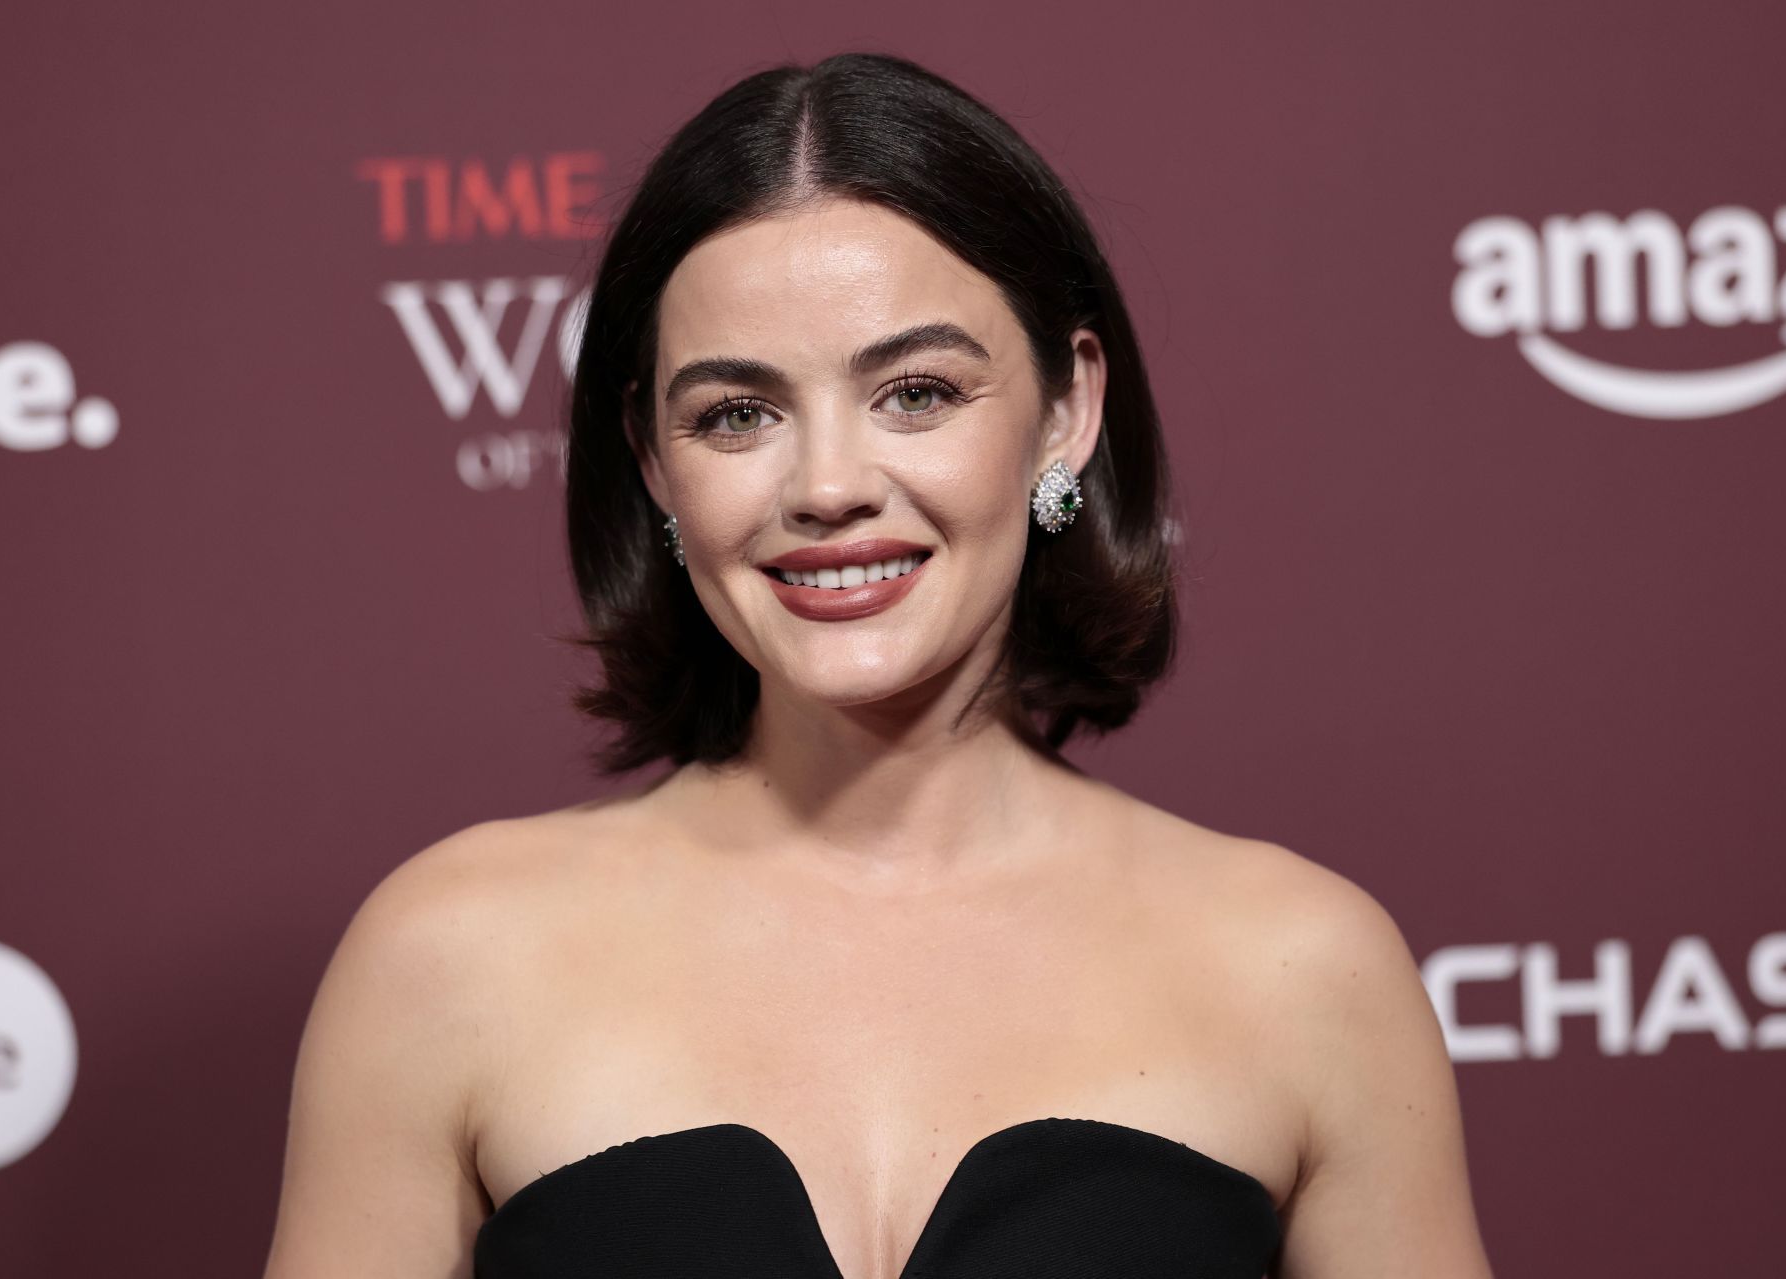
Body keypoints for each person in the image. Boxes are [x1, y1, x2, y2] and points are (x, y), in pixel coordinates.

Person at [262, 51, 1493, 1279]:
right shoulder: (450, 957)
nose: (829, 487)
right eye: (737, 414)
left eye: (915, 391)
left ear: (1065, 413)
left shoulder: (1303, 967)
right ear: (652, 461)